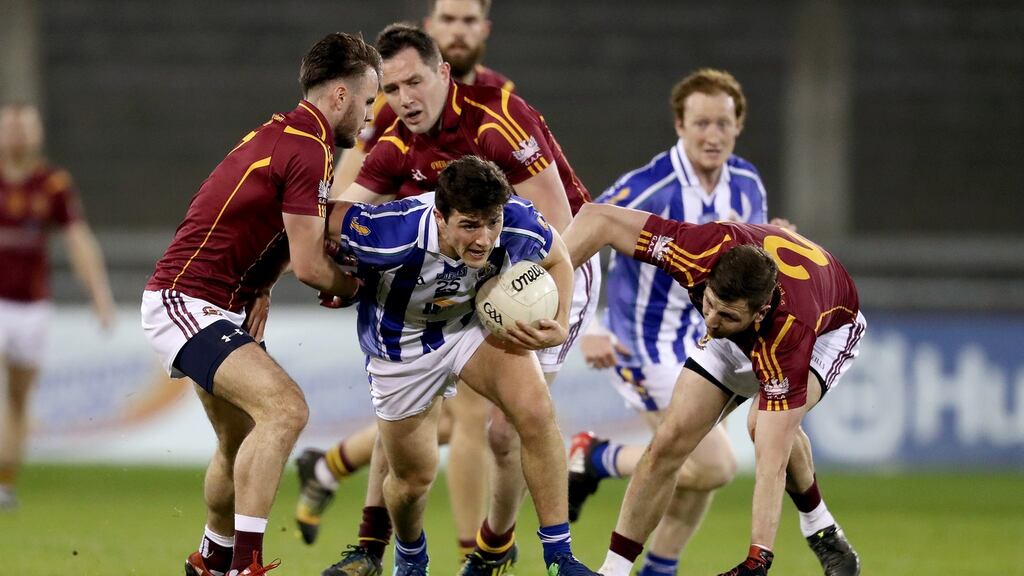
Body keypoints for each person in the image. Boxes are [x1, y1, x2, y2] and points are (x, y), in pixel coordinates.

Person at [304, 23, 600, 576]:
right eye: (390, 90)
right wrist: (334, 282)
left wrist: (551, 313)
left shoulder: (499, 128)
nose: (403, 100)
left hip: (516, 283)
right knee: (411, 468)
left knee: (517, 420)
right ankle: (392, 549)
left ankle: (523, 553)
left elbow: (560, 237)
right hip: (428, 314)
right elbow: (328, 221)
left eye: (414, 82)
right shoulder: (392, 178)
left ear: (443, 73)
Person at [569, 69, 856, 576]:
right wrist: (586, 319)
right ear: (679, 124)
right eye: (701, 123)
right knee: (689, 458)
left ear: (737, 126)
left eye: (722, 123)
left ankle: (818, 527)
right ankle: (615, 549)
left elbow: (769, 458)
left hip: (781, 322)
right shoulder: (656, 195)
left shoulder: (746, 184)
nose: (712, 134)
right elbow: (593, 228)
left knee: (750, 437)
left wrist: (757, 558)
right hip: (644, 337)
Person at [140, 33, 379, 576]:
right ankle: (246, 565)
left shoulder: (287, 132)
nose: (368, 116)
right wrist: (363, 288)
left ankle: (212, 559)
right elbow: (314, 265)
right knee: (286, 409)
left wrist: (261, 283)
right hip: (188, 298)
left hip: (219, 300)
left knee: (238, 441)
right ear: (340, 96)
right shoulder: (310, 148)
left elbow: (253, 219)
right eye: (368, 101)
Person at [296, 0, 515, 556]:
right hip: (410, 275)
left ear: (483, 31)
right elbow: (346, 193)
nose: (460, 30)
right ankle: (472, 552)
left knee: (431, 425)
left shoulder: (497, 101)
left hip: (470, 268)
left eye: (471, 20)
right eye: (450, 20)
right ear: (431, 32)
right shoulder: (394, 104)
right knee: (456, 418)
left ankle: (335, 477)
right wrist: (343, 249)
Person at [0, 102, 115, 509]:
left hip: (31, 306)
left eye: (24, 125)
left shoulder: (52, 184)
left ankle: (5, 482)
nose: (17, 133)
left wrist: (99, 295)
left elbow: (78, 239)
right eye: (10, 125)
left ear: (37, 133)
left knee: (17, 397)